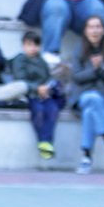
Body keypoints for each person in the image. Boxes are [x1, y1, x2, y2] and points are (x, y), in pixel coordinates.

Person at [67, 15, 104, 174]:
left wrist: (101, 68)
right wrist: (94, 69)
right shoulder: (80, 47)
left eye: (98, 26)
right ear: (85, 30)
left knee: (89, 112)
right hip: (82, 95)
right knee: (92, 98)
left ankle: (86, 158)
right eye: (90, 27)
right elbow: (76, 76)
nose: (94, 31)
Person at [10, 31, 64, 159]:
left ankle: (46, 142)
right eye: (29, 44)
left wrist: (46, 88)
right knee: (38, 110)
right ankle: (44, 141)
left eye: (35, 45)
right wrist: (36, 88)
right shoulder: (20, 60)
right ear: (23, 46)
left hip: (43, 94)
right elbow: (20, 79)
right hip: (28, 94)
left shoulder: (42, 61)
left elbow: (47, 78)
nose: (32, 48)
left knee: (53, 109)